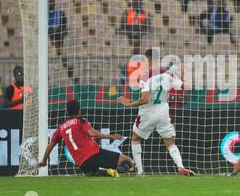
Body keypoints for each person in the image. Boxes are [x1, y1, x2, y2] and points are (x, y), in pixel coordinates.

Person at [117, 49, 195, 177]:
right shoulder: (168, 75)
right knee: (170, 142)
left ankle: (141, 172)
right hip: (163, 112)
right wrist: (185, 73)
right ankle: (181, 167)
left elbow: (144, 99)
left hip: (148, 112)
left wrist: (129, 103)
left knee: (135, 139)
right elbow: (187, 87)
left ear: (147, 59)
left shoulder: (144, 75)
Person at [38, 100, 134, 177]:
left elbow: (50, 145)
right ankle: (115, 171)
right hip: (94, 154)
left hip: (82, 164)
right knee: (129, 161)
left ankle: (102, 173)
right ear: (79, 110)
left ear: (67, 112)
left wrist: (44, 160)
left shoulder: (61, 128)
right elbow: (92, 133)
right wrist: (111, 136)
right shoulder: (81, 121)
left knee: (94, 174)